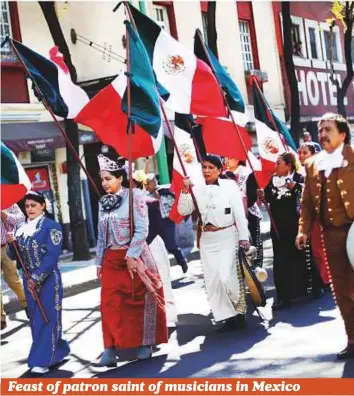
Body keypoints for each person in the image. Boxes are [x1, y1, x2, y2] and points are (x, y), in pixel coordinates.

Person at [95, 155, 168, 366]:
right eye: (102, 180)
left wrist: (131, 255)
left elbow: (142, 229)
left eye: (108, 178)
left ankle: (146, 343)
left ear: (120, 178)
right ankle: (109, 348)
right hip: (111, 259)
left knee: (140, 301)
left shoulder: (135, 196)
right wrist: (99, 262)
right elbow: (101, 235)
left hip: (135, 257)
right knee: (109, 304)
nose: (104, 183)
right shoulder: (103, 202)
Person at [296, 113, 354, 360]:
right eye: (320, 130)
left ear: (343, 134)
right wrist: (303, 230)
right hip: (331, 235)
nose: (322, 134)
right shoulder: (312, 164)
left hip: (353, 231)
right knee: (342, 291)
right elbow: (307, 203)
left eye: (328, 130)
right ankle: (353, 339)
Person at [178, 155, 250, 331]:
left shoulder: (230, 186)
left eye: (210, 167)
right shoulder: (196, 189)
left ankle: (239, 311)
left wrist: (244, 237)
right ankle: (227, 317)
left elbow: (239, 214)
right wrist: (185, 191)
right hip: (207, 240)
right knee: (214, 281)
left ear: (219, 170)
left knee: (227, 276)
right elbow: (183, 210)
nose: (206, 171)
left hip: (227, 236)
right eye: (204, 167)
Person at [6, 192, 70, 374]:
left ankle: (42, 360)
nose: (29, 209)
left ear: (43, 205)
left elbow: (52, 257)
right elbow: (13, 256)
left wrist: (36, 278)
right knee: (36, 320)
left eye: (33, 205)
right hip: (29, 281)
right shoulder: (20, 229)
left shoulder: (52, 227)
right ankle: (57, 351)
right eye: (27, 206)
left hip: (49, 280)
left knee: (48, 318)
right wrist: (12, 244)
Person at [261, 152, 322, 310]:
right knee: (281, 261)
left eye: (279, 162)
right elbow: (267, 198)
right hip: (278, 228)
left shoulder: (300, 179)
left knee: (303, 256)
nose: (276, 165)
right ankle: (284, 297)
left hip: (297, 227)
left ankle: (315, 288)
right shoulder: (272, 180)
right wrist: (262, 195)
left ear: (288, 165)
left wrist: (295, 188)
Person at [132, 170, 177, 327]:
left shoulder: (150, 201)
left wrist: (142, 243)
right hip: (137, 250)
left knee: (161, 280)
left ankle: (167, 315)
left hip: (152, 246)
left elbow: (157, 227)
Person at [298, 142, 330, 286]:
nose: (301, 156)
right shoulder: (307, 174)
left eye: (305, 153)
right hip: (316, 219)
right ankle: (327, 281)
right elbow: (305, 202)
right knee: (318, 251)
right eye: (300, 153)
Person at [145, 173, 188, 274]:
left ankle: (182, 261)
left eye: (153, 182)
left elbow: (175, 204)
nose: (152, 184)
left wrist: (159, 199)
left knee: (171, 245)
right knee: (149, 244)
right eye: (149, 183)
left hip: (166, 222)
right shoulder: (145, 196)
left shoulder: (165, 191)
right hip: (153, 223)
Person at [224, 157, 263, 267]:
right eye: (225, 158)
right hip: (229, 215)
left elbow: (251, 197)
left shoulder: (248, 173)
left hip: (249, 213)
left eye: (230, 158)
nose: (226, 161)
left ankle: (256, 271)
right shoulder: (222, 174)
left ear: (237, 159)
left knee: (253, 245)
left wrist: (239, 206)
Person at [1, 205, 27, 330]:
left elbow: (21, 218)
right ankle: (1, 319)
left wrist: (6, 215)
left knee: (14, 281)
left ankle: (27, 305)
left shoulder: (7, 200)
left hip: (6, 247)